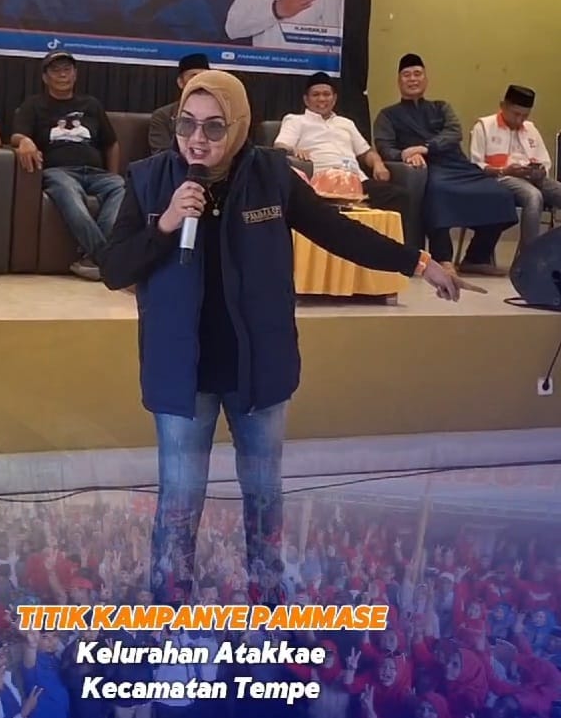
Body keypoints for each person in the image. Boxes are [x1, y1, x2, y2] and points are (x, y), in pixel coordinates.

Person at [100, 70, 460, 607]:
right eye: (187, 124)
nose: (197, 139)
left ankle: (267, 600)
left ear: (240, 126)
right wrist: (167, 223)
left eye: (214, 127)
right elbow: (114, 268)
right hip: (182, 372)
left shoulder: (271, 175)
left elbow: (338, 232)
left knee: (264, 494)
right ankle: (171, 606)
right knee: (179, 499)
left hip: (258, 367)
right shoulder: (150, 179)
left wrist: (419, 261)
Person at [373, 55, 517, 275]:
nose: (413, 79)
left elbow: (454, 133)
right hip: (427, 169)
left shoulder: (441, 107)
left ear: (426, 78)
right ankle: (442, 258)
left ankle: (476, 257)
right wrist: (405, 154)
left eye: (417, 74)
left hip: (456, 165)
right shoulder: (388, 115)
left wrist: (426, 147)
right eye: (406, 75)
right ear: (399, 81)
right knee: (437, 191)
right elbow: (384, 146)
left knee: (500, 194)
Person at [11, 51, 125, 281]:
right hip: (59, 172)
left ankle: (92, 259)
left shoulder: (91, 104)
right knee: (70, 193)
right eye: (56, 70)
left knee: (121, 186)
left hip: (96, 173)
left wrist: (112, 173)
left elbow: (111, 143)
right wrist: (23, 140)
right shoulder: (34, 105)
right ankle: (106, 259)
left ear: (75, 74)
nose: (62, 75)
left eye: (67, 70)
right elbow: (15, 135)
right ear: (45, 77)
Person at [274, 71, 415, 243]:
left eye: (326, 94)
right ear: (306, 99)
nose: (322, 99)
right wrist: (294, 150)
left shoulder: (346, 123)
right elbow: (279, 146)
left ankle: (404, 252)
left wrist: (378, 164)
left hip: (357, 182)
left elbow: (366, 152)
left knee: (400, 196)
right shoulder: (296, 120)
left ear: (334, 98)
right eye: (316, 95)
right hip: (321, 182)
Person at [470, 84, 561, 249]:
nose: (519, 120)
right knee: (534, 197)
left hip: (532, 178)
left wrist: (540, 171)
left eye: (525, 116)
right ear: (503, 106)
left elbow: (545, 161)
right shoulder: (484, 126)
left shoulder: (530, 129)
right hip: (501, 178)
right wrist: (504, 170)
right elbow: (476, 164)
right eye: (516, 114)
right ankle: (528, 255)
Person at [149, 53, 210, 154]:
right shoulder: (163, 116)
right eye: (194, 76)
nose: (200, 81)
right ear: (180, 82)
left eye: (204, 77)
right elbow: (162, 155)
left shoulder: (221, 114)